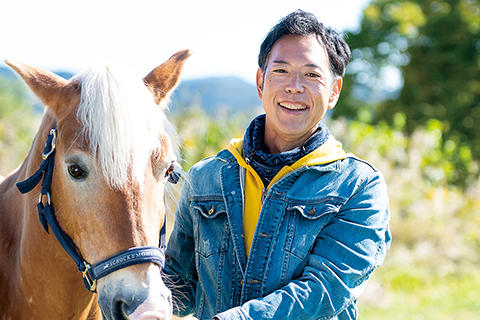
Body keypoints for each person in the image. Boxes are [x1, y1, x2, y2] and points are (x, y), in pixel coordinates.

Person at [163, 10, 391, 320]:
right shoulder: (206, 178)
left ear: (334, 90)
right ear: (260, 81)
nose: (294, 86)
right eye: (281, 70)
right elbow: (179, 289)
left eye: (312, 74)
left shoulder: (358, 186)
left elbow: (325, 290)